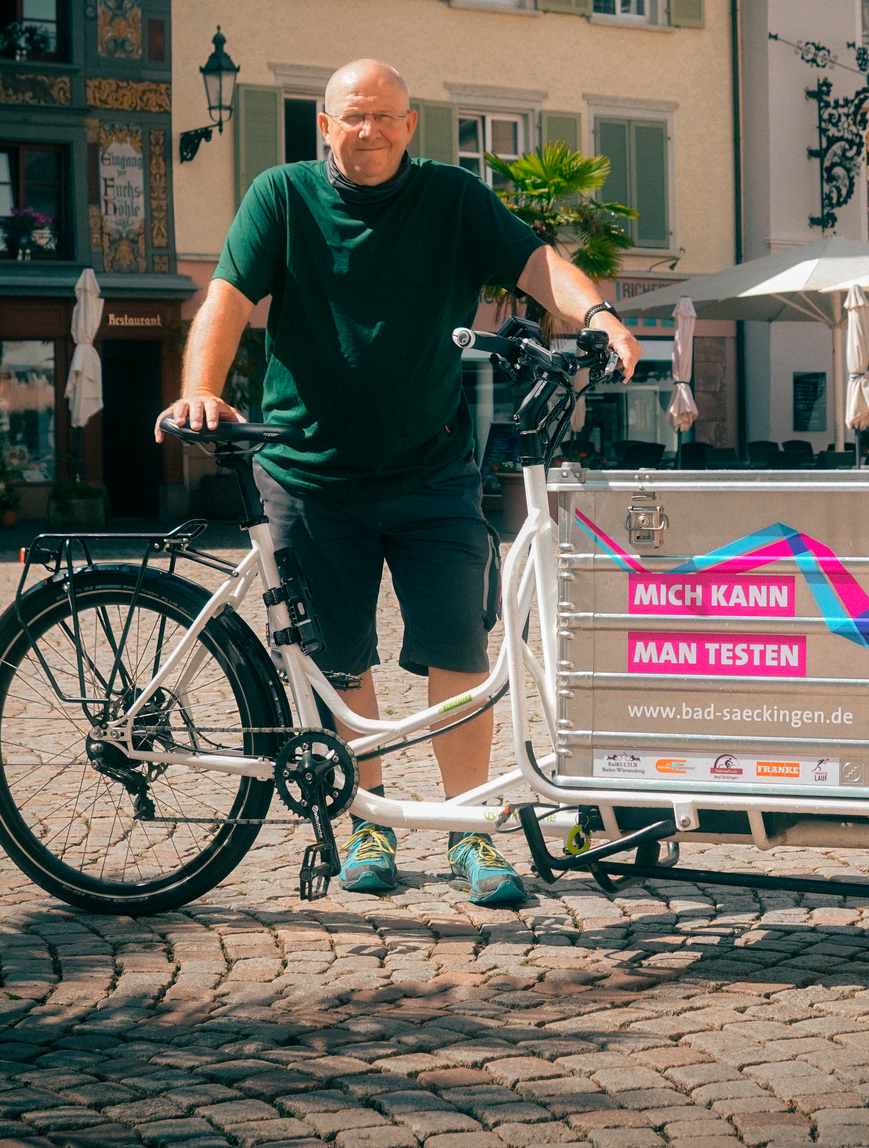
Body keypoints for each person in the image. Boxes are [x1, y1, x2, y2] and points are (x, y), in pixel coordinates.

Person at [157, 58, 641, 906]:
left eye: (385, 116)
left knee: (458, 649)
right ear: (324, 125)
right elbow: (228, 297)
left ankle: (467, 831)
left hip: (433, 471)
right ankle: (368, 821)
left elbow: (537, 263)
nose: (369, 130)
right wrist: (202, 387)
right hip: (309, 475)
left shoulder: (452, 200)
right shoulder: (282, 196)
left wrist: (597, 312)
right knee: (341, 659)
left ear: (411, 125)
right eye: (353, 116)